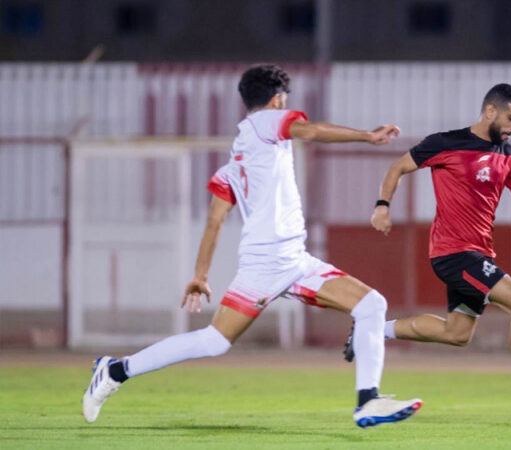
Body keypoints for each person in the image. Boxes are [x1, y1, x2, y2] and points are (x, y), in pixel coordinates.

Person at [82, 64, 422, 429]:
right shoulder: (266, 122)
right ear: (277, 99)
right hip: (268, 264)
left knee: (371, 305)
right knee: (215, 341)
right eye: (285, 101)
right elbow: (311, 131)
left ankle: (368, 401)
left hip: (293, 260)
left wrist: (200, 275)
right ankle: (115, 370)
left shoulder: (236, 160)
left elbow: (214, 221)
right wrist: (367, 136)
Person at [344, 83, 511, 424]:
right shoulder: (445, 143)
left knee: (457, 334)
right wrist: (382, 206)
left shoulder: (508, 156)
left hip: (479, 255)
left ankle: (372, 331)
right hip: (454, 254)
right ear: (490, 111)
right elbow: (397, 168)